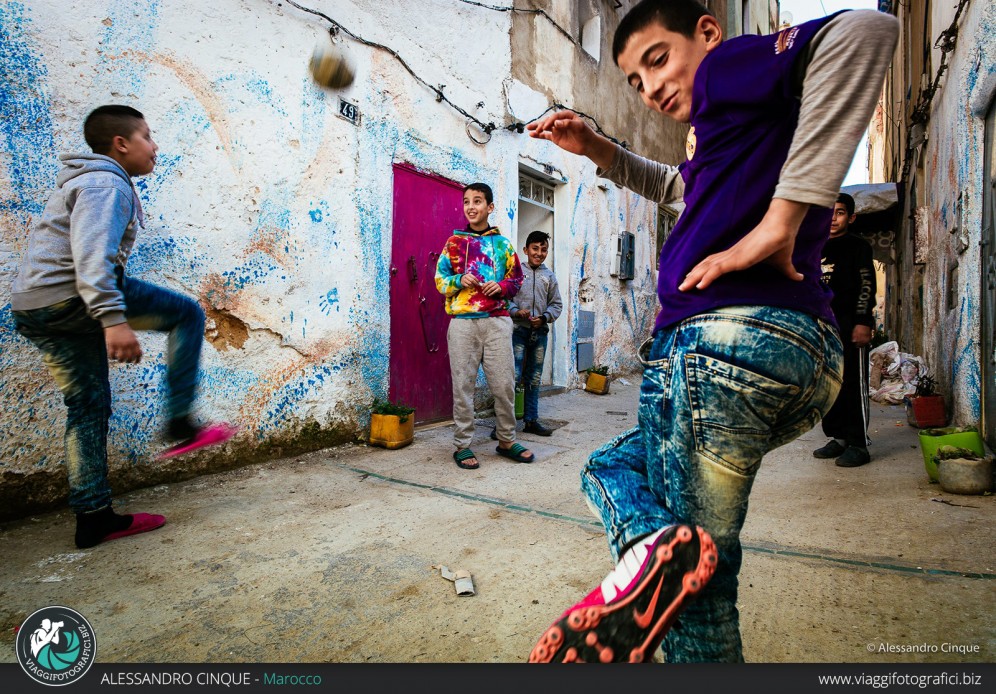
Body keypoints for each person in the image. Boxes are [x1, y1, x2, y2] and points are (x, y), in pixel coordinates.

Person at [526, 0, 897, 663]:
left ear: (708, 34)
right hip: (789, 353)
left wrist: (784, 219)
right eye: (636, 82)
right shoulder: (732, 137)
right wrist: (599, 149)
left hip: (721, 347)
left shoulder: (730, 69)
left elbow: (866, 29)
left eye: (658, 59)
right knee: (612, 468)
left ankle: (655, 564)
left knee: (699, 602)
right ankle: (654, 558)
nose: (652, 87)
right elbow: (677, 189)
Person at [11, 105, 236, 549]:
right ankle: (180, 423)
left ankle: (94, 516)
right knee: (186, 313)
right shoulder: (106, 183)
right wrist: (113, 320)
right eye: (148, 137)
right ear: (121, 144)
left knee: (87, 407)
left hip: (36, 307)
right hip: (72, 297)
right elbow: (93, 258)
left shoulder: (88, 181)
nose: (155, 147)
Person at [434, 182, 533, 469]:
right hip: (463, 324)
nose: (471, 207)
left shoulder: (502, 245)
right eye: (467, 201)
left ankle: (506, 440)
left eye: (477, 201)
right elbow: (440, 280)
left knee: (503, 384)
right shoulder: (453, 244)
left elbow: (516, 281)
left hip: (497, 323)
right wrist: (457, 280)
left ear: (489, 207)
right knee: (462, 386)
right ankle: (463, 445)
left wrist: (500, 286)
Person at [813, 193, 876, 467]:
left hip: (849, 326)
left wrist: (863, 321)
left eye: (839, 213)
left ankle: (858, 443)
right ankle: (838, 437)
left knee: (852, 383)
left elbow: (866, 286)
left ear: (850, 217)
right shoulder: (813, 247)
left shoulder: (857, 247)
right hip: (820, 327)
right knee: (827, 384)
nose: (832, 219)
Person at [490, 231, 563, 438]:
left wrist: (545, 317)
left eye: (543, 250)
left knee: (534, 378)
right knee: (511, 377)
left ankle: (531, 420)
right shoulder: (515, 274)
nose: (539, 253)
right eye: (535, 249)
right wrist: (515, 311)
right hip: (517, 332)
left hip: (539, 333)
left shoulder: (549, 277)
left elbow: (556, 304)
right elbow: (504, 298)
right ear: (526, 250)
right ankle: (503, 426)